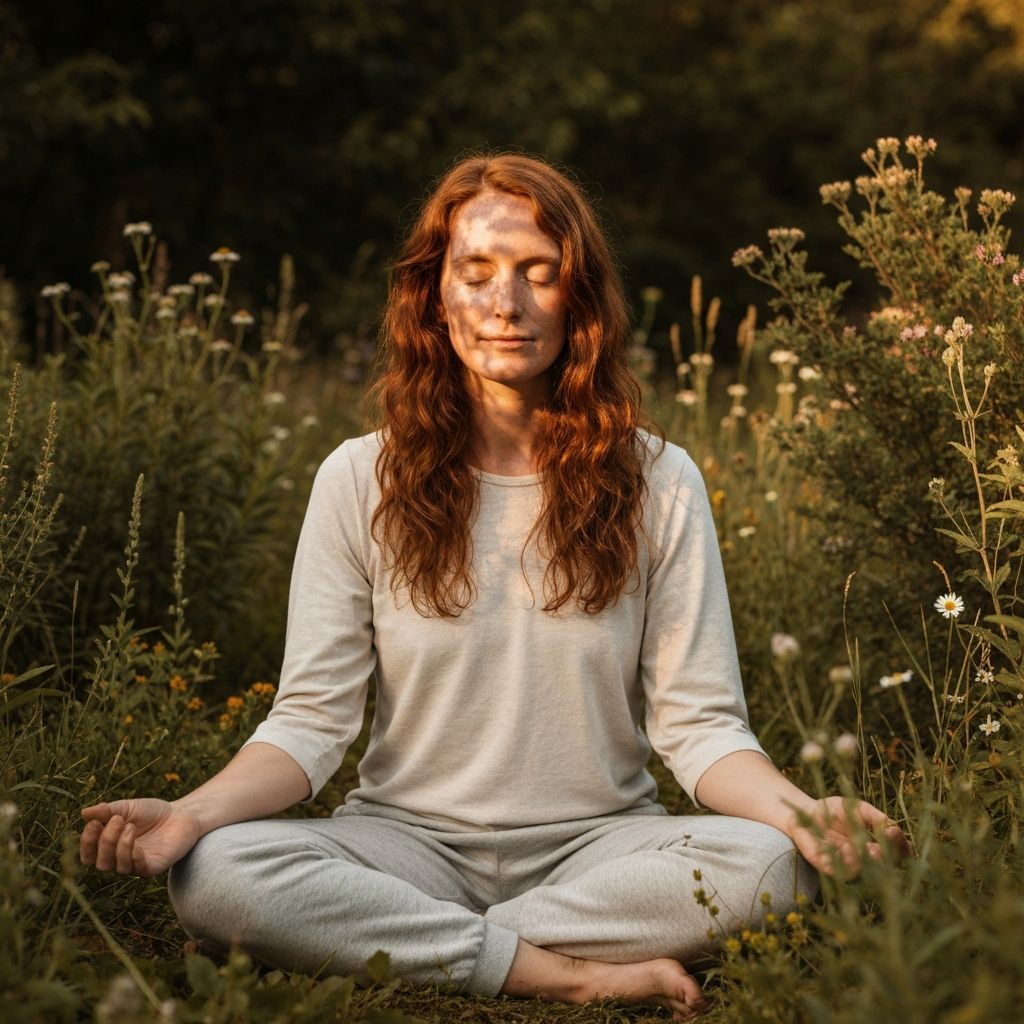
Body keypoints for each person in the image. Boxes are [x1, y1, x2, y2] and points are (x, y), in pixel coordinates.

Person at [79, 152, 910, 1023]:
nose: (505, 304)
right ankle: (565, 972)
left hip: (600, 849)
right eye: (475, 273)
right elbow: (311, 722)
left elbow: (701, 728)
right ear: (434, 298)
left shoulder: (661, 482)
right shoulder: (358, 478)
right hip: (403, 844)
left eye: (537, 273)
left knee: (772, 864)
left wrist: (803, 813)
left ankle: (408, 942)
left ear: (579, 298)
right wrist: (194, 813)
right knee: (215, 871)